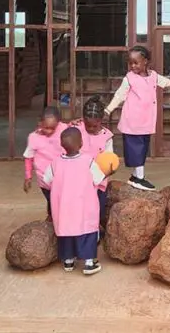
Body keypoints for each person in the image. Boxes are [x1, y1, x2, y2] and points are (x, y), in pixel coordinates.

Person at [104, 45, 170, 190]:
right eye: (130, 63)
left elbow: (165, 82)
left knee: (142, 148)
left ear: (145, 61)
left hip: (145, 121)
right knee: (137, 149)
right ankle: (139, 178)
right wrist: (108, 109)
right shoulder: (129, 78)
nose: (132, 66)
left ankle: (136, 176)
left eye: (136, 62)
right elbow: (119, 95)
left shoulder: (153, 76)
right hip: (133, 121)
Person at [42, 127, 109, 276]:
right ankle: (89, 263)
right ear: (81, 143)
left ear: (62, 144)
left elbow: (46, 180)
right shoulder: (87, 161)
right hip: (84, 208)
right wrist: (109, 172)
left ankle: (68, 261)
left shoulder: (56, 163)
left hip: (63, 210)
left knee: (66, 233)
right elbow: (98, 178)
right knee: (86, 232)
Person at [74, 95, 114, 235]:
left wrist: (109, 170)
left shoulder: (107, 136)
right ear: (82, 120)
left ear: (101, 120)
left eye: (94, 126)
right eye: (87, 125)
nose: (90, 128)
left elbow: (110, 159)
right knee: (79, 209)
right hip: (78, 180)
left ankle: (94, 233)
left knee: (97, 209)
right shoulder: (76, 129)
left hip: (98, 182)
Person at [23, 106, 68, 220]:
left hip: (61, 176)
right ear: (40, 123)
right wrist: (28, 177)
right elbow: (28, 157)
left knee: (60, 201)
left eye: (53, 128)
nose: (49, 131)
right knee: (51, 199)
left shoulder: (64, 130)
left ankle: (55, 219)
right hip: (44, 178)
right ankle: (52, 219)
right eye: (46, 127)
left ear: (58, 123)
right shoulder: (33, 138)